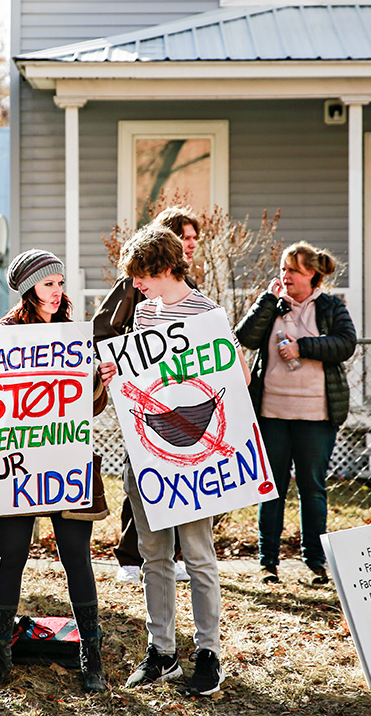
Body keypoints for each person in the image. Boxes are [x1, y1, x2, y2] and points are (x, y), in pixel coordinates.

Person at [117, 226, 250, 696]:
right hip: (147, 453)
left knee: (197, 555)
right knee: (153, 555)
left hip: (193, 457)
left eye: (141, 275)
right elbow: (143, 380)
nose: (135, 284)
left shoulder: (207, 314)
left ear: (165, 268)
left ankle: (209, 653)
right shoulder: (143, 313)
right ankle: (162, 652)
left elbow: (237, 377)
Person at [0, 249, 113, 693]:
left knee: (76, 556)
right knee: (11, 555)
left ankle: (91, 658)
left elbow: (90, 408)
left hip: (67, 459)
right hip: (17, 464)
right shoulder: (2, 337)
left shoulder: (75, 337)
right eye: (48, 283)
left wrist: (98, 381)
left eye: (59, 283)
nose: (57, 291)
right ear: (27, 288)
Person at [235, 241, 357, 584]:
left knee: (312, 488)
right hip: (272, 414)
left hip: (317, 416)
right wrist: (266, 301)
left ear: (311, 275)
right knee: (271, 488)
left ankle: (315, 562)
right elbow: (245, 337)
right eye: (283, 269)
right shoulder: (272, 304)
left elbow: (346, 344)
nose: (285, 276)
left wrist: (303, 347)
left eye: (293, 270)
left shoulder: (330, 306)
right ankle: (268, 562)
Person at [94, 205, 200, 585]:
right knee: (139, 478)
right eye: (185, 238)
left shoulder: (194, 294)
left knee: (178, 478)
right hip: (142, 401)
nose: (191, 245)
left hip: (180, 405)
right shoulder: (135, 287)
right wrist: (118, 366)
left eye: (194, 238)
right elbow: (103, 330)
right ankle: (130, 556)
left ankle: (175, 555)